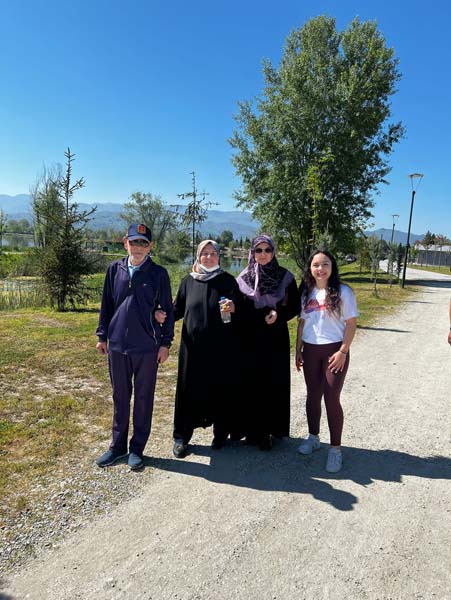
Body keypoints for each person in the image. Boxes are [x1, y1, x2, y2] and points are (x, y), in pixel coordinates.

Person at [95, 223, 174, 471]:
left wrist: (165, 343)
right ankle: (117, 447)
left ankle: (137, 448)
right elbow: (107, 305)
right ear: (125, 243)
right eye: (134, 242)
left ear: (150, 246)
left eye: (143, 243)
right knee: (120, 396)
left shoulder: (158, 274)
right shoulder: (114, 269)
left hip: (147, 347)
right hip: (117, 345)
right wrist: (102, 335)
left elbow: (167, 311)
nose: (138, 247)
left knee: (143, 398)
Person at [171, 239, 242, 458]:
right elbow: (177, 310)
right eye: (205, 253)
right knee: (187, 390)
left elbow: (240, 312)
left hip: (220, 348)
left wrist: (235, 307)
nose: (209, 257)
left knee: (219, 388)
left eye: (213, 253)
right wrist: (161, 315)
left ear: (219, 256)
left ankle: (220, 434)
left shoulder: (228, 281)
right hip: (192, 348)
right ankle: (181, 437)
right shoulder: (188, 281)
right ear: (198, 256)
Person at [295, 249, 358, 473]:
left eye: (325, 264)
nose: (320, 269)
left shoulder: (343, 292)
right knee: (312, 395)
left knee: (331, 398)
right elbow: (302, 323)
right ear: (310, 268)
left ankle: (335, 450)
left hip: (334, 351)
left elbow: (351, 324)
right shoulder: (306, 292)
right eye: (316, 265)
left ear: (332, 267)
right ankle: (313, 437)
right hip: (311, 350)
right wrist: (298, 350)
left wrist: (343, 351)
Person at [237, 234, 299, 450]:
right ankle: (252, 431)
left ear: (273, 252)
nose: (263, 254)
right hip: (251, 337)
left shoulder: (285, 277)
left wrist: (278, 314)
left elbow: (294, 307)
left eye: (267, 250)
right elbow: (240, 308)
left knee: (273, 382)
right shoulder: (244, 277)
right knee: (252, 382)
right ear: (252, 253)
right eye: (258, 250)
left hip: (275, 337)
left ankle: (271, 430)